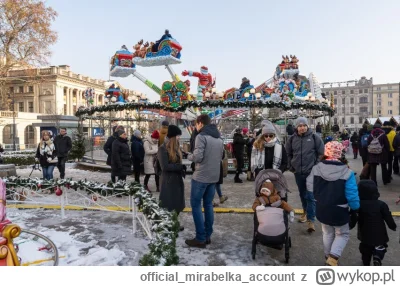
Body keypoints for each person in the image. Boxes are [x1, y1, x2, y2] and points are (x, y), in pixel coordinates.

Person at [306, 141, 359, 266]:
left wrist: (318, 198)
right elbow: (351, 193)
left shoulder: (316, 168)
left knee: (327, 233)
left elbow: (309, 186)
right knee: (342, 234)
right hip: (339, 209)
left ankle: (328, 256)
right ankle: (333, 258)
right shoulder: (347, 171)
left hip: (322, 207)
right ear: (340, 154)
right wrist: (355, 208)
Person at [186, 114, 223, 248]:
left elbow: (198, 157)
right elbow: (221, 156)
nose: (196, 127)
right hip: (213, 177)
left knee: (196, 205)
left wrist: (188, 155)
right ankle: (207, 235)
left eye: (196, 124)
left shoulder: (201, 137)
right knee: (208, 205)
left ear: (200, 123)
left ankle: (200, 238)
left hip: (201, 177)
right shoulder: (218, 138)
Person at [286, 117, 324, 232]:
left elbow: (321, 153)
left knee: (310, 196)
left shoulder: (314, 137)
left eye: (304, 125)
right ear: (296, 127)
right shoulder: (292, 139)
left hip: (311, 172)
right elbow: (288, 153)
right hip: (298, 172)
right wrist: (291, 166)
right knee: (303, 194)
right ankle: (305, 212)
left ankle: (311, 220)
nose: (302, 128)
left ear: (307, 126)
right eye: (300, 126)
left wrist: (316, 166)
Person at [356, 180, 397, 266]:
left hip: (365, 234)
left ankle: (366, 263)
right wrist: (393, 226)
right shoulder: (381, 204)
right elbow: (388, 217)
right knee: (380, 246)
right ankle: (377, 256)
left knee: (365, 250)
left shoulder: (358, 205)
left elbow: (353, 218)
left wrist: (349, 225)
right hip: (380, 234)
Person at [158, 125, 185, 229]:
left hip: (177, 179)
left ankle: (173, 223)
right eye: (178, 136)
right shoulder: (162, 148)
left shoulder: (176, 147)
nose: (179, 138)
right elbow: (164, 166)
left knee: (177, 204)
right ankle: (168, 225)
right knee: (169, 204)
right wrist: (179, 167)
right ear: (173, 136)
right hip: (168, 181)